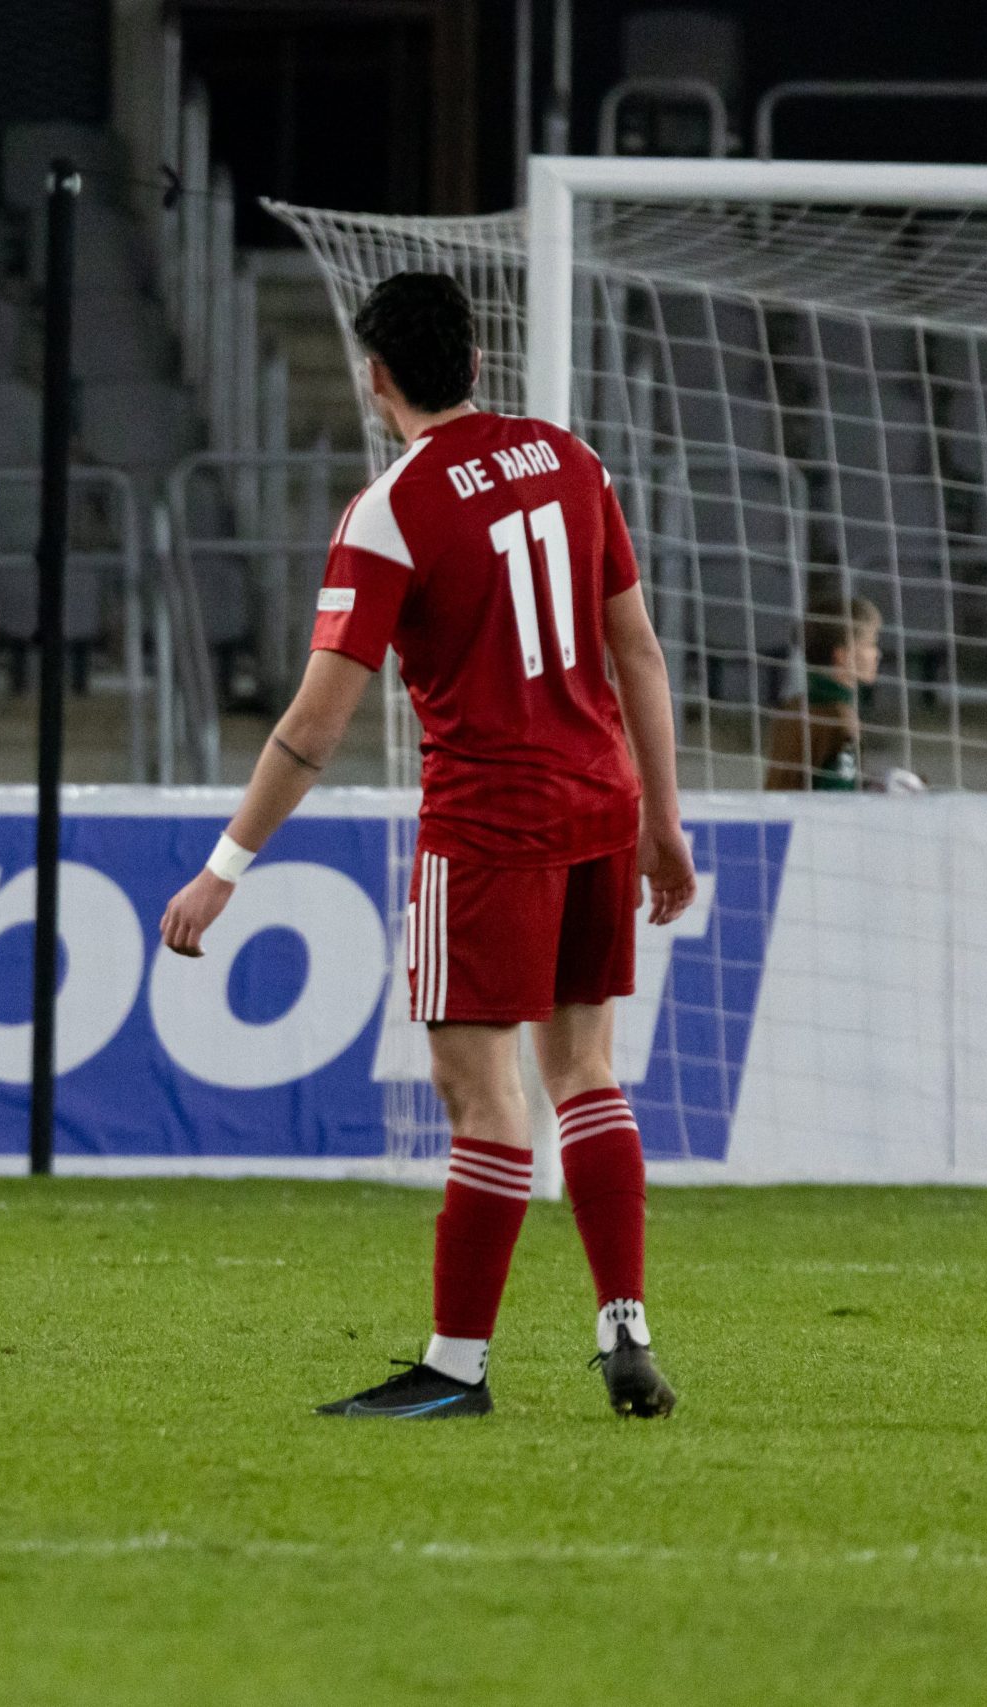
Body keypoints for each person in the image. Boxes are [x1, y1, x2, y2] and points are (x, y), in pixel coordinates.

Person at [160, 272, 694, 1420]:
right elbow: (638, 653)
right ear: (477, 363)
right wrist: (662, 820)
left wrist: (224, 867)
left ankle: (456, 1368)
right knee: (584, 1071)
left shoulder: (391, 510)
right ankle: (623, 1322)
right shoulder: (571, 462)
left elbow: (313, 727)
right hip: (600, 807)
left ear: (377, 379)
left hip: (491, 827)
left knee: (479, 1096)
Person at [765, 593, 921, 792]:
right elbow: (838, 798)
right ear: (843, 656)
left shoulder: (793, 706)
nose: (877, 654)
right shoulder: (839, 719)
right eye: (871, 644)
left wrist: (870, 785)